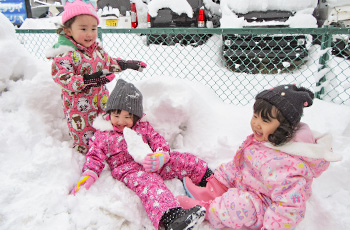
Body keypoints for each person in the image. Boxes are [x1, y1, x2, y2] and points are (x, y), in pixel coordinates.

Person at [176, 84, 342, 229]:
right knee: (231, 170)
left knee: (239, 204)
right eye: (255, 116)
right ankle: (213, 190)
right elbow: (240, 165)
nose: (256, 123)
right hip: (250, 185)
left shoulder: (288, 164)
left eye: (265, 120)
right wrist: (219, 180)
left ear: (283, 126)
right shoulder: (265, 140)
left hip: (265, 204)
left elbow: (289, 207)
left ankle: (206, 211)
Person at [70, 79, 214, 230]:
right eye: (117, 115)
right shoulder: (104, 134)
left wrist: (161, 156)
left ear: (136, 117)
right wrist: (89, 175)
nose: (121, 121)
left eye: (127, 117)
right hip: (129, 170)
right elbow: (95, 157)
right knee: (151, 185)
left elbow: (158, 141)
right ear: (110, 112)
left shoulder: (142, 127)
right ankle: (173, 218)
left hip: (151, 160)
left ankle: (211, 179)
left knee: (182, 159)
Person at [46, 0, 146, 154]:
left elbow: (108, 64)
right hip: (79, 110)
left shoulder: (96, 50)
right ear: (68, 31)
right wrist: (89, 80)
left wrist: (126, 64)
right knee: (85, 139)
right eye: (83, 28)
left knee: (104, 130)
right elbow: (63, 78)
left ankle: (104, 152)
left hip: (101, 102)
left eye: (93, 28)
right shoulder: (64, 54)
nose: (90, 33)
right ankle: (87, 159)